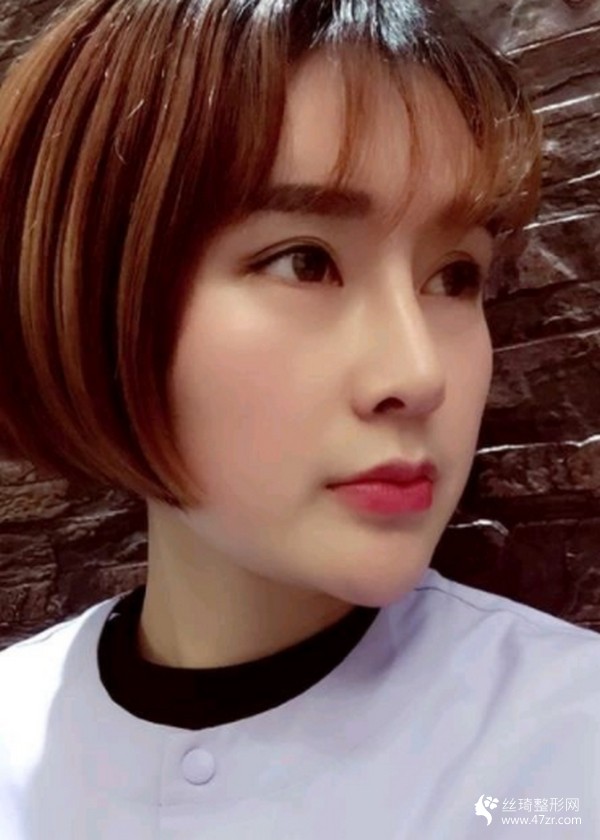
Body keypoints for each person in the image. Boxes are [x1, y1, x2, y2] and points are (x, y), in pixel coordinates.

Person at [0, 0, 598, 837]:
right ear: (93, 297)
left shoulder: (569, 748)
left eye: (455, 276)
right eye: (305, 262)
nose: (418, 374)